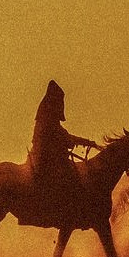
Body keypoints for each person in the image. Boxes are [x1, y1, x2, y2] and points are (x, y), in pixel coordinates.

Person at [29, 80, 97, 223]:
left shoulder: (47, 119)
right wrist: (82, 142)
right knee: (72, 178)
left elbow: (64, 137)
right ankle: (69, 212)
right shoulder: (48, 120)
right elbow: (64, 138)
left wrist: (87, 142)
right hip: (47, 160)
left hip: (47, 157)